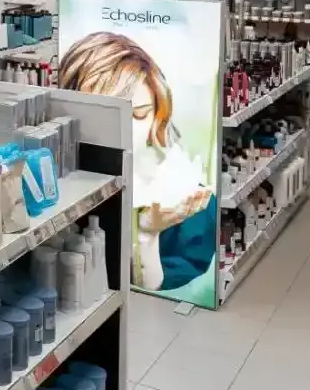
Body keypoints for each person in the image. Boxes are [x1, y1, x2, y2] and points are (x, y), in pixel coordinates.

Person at [59, 31, 216, 294]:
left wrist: (148, 236)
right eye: (108, 114)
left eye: (140, 115)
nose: (127, 130)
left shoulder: (189, 204)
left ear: (158, 115)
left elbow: (154, 294)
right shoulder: (61, 179)